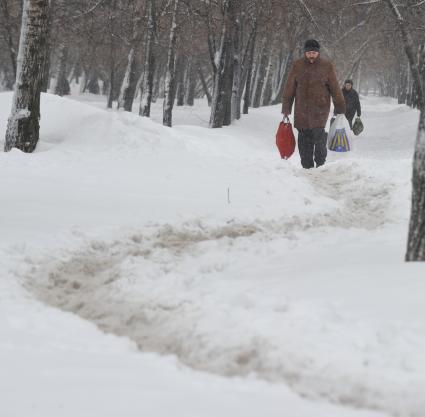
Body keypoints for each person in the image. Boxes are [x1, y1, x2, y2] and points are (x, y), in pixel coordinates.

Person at [282, 39, 346, 169]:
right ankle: (307, 167)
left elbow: (335, 88)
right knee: (304, 143)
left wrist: (340, 107)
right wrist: (286, 108)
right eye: (309, 52)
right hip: (301, 111)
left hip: (320, 111)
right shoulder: (297, 66)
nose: (311, 55)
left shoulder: (327, 66)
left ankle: (320, 164)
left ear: (318, 53)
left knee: (319, 140)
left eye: (314, 53)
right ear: (305, 52)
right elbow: (289, 88)